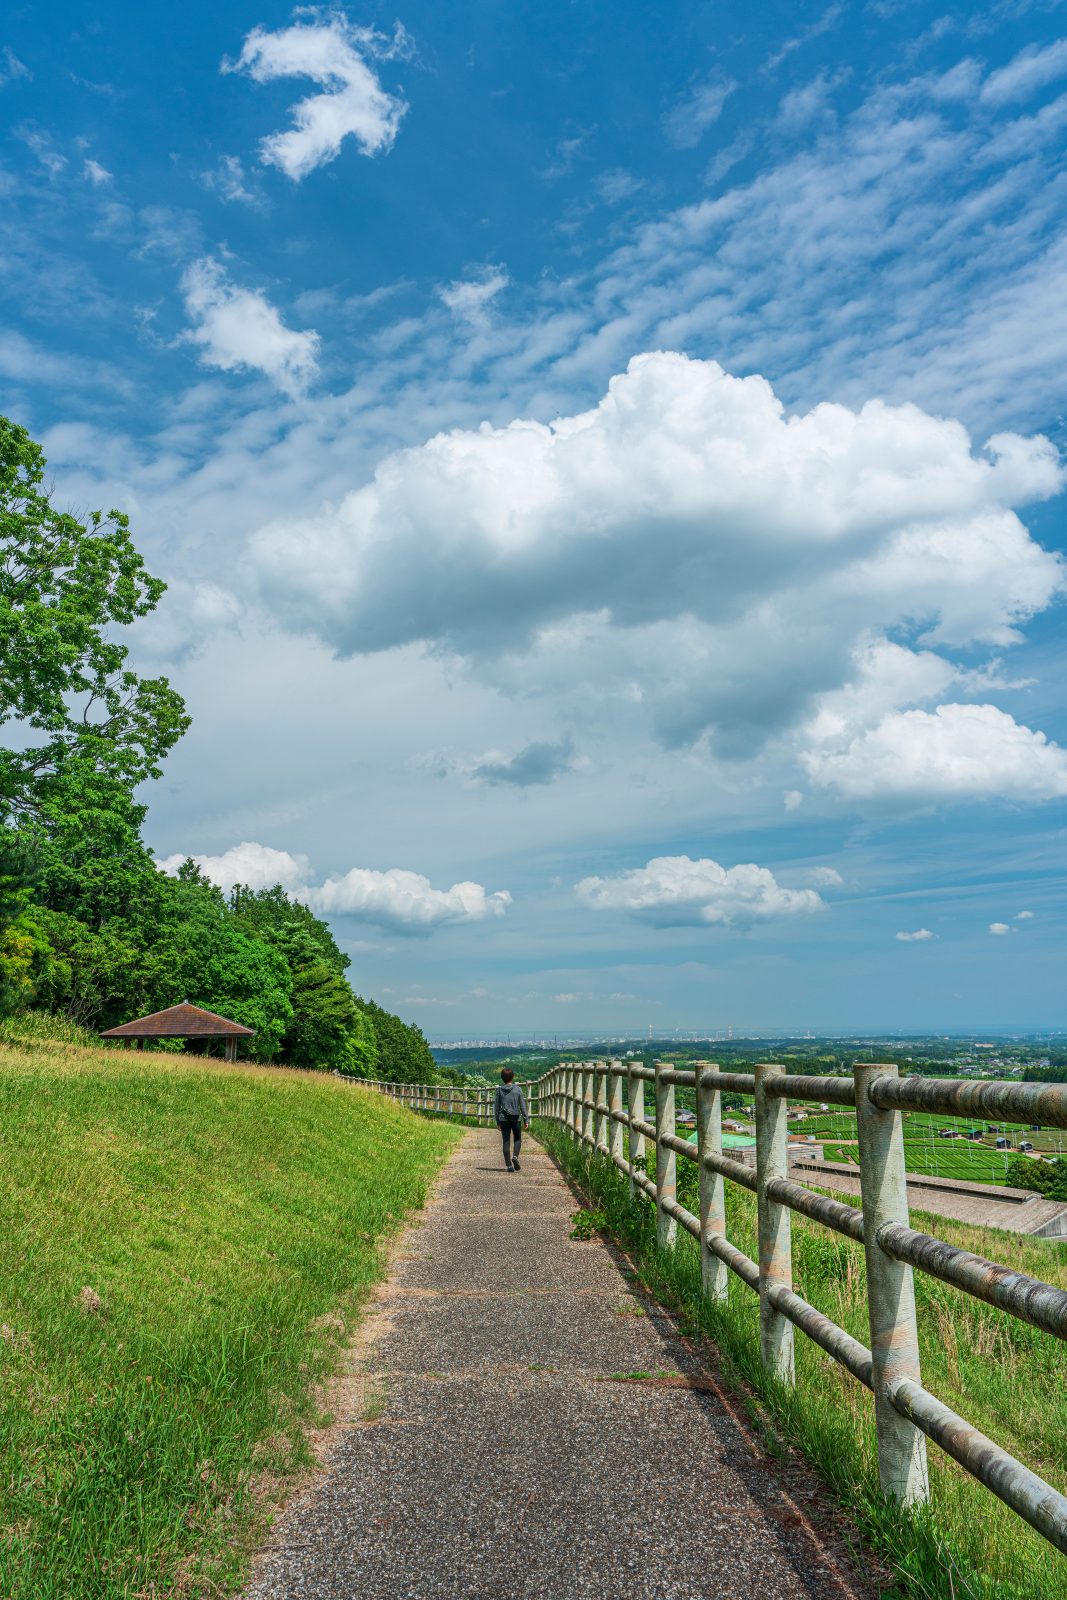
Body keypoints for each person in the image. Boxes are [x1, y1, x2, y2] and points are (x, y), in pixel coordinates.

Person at [494, 1067, 529, 1172]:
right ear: (512, 1077)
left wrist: (498, 1121)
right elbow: (522, 1106)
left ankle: (509, 1165)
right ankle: (515, 1157)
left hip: (503, 1119)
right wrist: (526, 1119)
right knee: (517, 1139)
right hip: (516, 1118)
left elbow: (496, 1108)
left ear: (502, 1078)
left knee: (506, 1141)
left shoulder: (499, 1090)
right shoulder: (518, 1089)